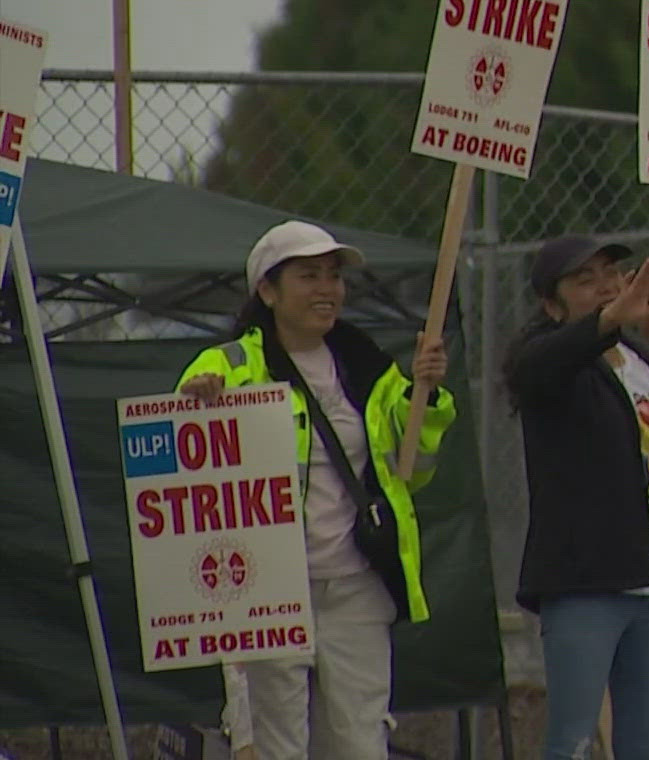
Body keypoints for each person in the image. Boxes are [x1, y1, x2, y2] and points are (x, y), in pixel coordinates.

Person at [177, 220, 455, 760]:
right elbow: (186, 469)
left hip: (355, 591)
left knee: (360, 744)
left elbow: (413, 471)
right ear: (267, 291)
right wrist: (197, 403)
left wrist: (429, 396)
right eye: (309, 276)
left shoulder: (372, 367)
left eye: (334, 276)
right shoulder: (228, 365)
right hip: (266, 593)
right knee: (277, 746)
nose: (328, 289)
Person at [505, 235, 649, 760]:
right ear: (552, 304)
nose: (604, 287)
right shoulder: (548, 362)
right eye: (584, 280)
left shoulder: (647, 364)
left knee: (645, 744)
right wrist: (602, 324)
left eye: (610, 274)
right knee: (574, 740)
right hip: (588, 581)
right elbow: (538, 369)